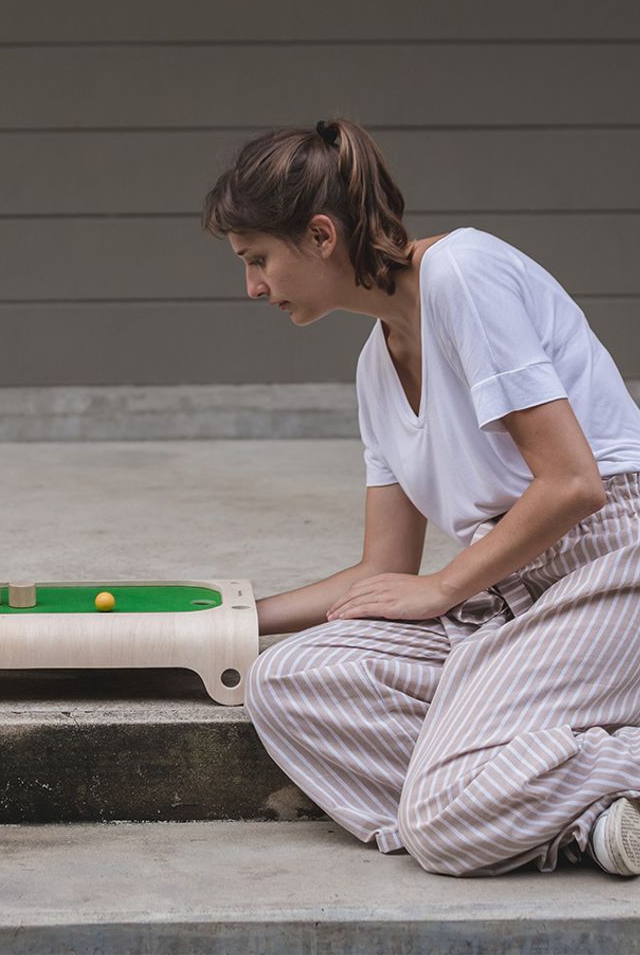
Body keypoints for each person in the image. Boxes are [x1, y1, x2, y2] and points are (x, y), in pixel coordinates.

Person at [202, 119, 640, 877]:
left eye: (259, 259)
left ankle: (500, 800)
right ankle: (584, 816)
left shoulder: (462, 274)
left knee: (440, 821)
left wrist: (443, 586)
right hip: (505, 597)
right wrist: (225, 617)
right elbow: (383, 568)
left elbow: (573, 484)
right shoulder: (376, 368)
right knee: (288, 683)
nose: (254, 287)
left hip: (608, 565)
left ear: (321, 234)